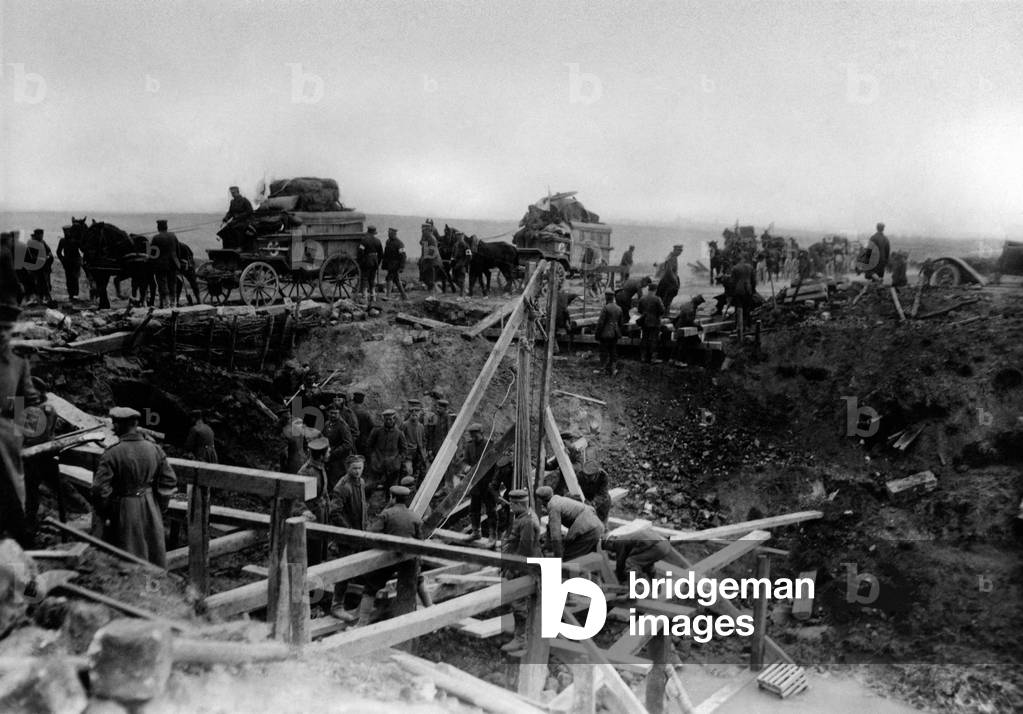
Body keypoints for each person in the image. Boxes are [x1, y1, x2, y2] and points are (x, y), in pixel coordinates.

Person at [91, 407, 177, 567]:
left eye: (115, 423)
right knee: (153, 554)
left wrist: (107, 512)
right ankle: (153, 589)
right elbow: (169, 480)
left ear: (121, 426)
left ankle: (132, 590)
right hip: (150, 505)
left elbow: (99, 489)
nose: (112, 427)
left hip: (124, 507)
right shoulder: (155, 449)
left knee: (127, 554)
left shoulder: (112, 453)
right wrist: (160, 505)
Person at [0, 298, 47, 546]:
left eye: (6, 330)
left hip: (5, 435)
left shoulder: (18, 362)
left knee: (13, 492)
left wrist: (19, 432)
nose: (2, 335)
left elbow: (27, 399)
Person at [357, 485, 423, 625]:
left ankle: (361, 623)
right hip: (409, 558)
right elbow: (420, 542)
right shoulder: (415, 516)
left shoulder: (387, 514)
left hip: (390, 556)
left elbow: (371, 532)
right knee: (414, 583)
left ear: (392, 497)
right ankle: (419, 614)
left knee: (370, 587)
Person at [499, 489, 541, 655]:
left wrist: (512, 569)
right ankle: (524, 634)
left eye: (512, 504)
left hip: (524, 567)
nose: (510, 508)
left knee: (519, 602)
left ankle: (520, 639)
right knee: (522, 602)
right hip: (522, 564)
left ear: (518, 504)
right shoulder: (525, 517)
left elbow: (525, 550)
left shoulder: (527, 522)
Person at [329, 454, 368, 621]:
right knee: (344, 570)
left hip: (359, 532)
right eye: (354, 468)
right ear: (348, 468)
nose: (358, 471)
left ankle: (356, 601)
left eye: (360, 468)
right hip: (347, 536)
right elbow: (334, 512)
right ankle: (336, 605)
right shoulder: (342, 487)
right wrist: (348, 530)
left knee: (359, 564)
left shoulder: (361, 482)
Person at [604, 519, 688, 582]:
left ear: (610, 542)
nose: (611, 550)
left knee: (630, 563)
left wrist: (619, 577)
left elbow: (621, 561)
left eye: (608, 548)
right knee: (646, 564)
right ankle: (655, 585)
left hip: (658, 547)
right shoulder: (627, 536)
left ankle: (631, 593)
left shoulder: (619, 541)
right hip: (664, 544)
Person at [535, 485, 604, 560]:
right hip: (596, 525)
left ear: (541, 500)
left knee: (569, 558)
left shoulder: (553, 506)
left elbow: (556, 536)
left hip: (589, 530)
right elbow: (550, 526)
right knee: (584, 556)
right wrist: (546, 545)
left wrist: (558, 558)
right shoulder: (559, 499)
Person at [366, 409, 408, 514]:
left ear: (394, 419)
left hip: (393, 467)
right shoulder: (377, 431)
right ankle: (366, 506)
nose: (389, 421)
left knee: (391, 489)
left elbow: (404, 450)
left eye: (391, 419)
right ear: (383, 420)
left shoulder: (399, 433)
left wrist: (398, 460)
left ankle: (387, 511)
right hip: (377, 465)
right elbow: (369, 445)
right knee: (370, 486)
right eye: (386, 419)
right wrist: (373, 458)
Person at [295, 436, 331, 562]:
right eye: (328, 451)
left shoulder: (319, 466)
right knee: (313, 548)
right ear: (321, 456)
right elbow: (297, 496)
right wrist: (304, 510)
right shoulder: (306, 472)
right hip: (313, 515)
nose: (330, 451)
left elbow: (323, 491)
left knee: (321, 546)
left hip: (322, 512)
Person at [150, 219, 181, 309]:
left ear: (158, 227)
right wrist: (177, 261)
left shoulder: (156, 238)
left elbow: (152, 253)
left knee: (162, 284)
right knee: (172, 283)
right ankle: (173, 304)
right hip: (173, 263)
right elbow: (178, 250)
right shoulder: (173, 236)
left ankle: (166, 304)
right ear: (166, 227)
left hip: (161, 265)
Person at [322, 404, 354, 490]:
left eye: (335, 413)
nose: (333, 415)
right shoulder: (327, 424)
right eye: (331, 413)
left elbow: (348, 444)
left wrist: (333, 453)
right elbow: (324, 438)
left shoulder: (343, 426)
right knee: (327, 482)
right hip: (328, 459)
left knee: (336, 484)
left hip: (339, 461)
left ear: (339, 413)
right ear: (328, 413)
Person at [594, 289, 623, 376]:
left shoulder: (605, 308)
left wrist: (597, 334)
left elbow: (600, 323)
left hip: (605, 334)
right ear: (613, 297)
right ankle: (613, 370)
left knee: (603, 352)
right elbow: (621, 323)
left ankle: (603, 369)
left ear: (606, 298)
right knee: (613, 351)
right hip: (615, 333)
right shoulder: (619, 308)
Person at [637, 283, 665, 364]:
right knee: (654, 340)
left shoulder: (642, 298)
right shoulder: (657, 299)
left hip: (644, 322)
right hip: (655, 322)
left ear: (649, 289)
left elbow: (639, 310)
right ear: (655, 290)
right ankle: (653, 358)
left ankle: (643, 357)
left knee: (644, 339)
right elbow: (662, 310)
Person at [401, 399, 428, 479]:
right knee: (408, 471)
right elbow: (400, 438)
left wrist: (424, 451)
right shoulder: (405, 425)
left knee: (419, 472)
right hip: (408, 453)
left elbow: (423, 440)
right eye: (412, 411)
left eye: (416, 411)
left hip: (418, 453)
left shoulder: (421, 426)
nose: (414, 413)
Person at [57, 226, 84, 301]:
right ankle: (71, 295)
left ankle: (75, 294)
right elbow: (58, 252)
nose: (66, 233)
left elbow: (82, 249)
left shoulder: (75, 240)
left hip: (75, 261)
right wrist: (62, 260)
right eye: (65, 231)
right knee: (69, 279)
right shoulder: (62, 240)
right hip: (67, 262)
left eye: (68, 231)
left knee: (75, 278)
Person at [729, 256, 756, 329]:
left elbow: (732, 282)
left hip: (739, 291)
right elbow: (753, 280)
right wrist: (753, 290)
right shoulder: (750, 267)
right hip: (748, 290)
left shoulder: (735, 268)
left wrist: (731, 293)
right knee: (747, 308)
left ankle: (739, 326)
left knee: (739, 308)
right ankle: (747, 325)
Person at [358, 226, 383, 304]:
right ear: (374, 233)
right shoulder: (378, 241)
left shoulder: (364, 240)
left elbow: (360, 252)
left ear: (368, 232)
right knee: (372, 279)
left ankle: (365, 297)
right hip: (375, 261)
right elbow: (381, 254)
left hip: (366, 261)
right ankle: (373, 297)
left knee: (365, 278)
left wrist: (361, 262)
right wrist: (377, 262)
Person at [29, 229, 54, 304]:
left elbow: (49, 252)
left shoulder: (43, 242)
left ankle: (46, 297)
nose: (41, 236)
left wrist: (48, 257)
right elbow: (31, 256)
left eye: (42, 234)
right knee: (38, 283)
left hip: (44, 267)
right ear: (36, 235)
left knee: (46, 283)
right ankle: (40, 298)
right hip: (37, 268)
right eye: (40, 234)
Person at [656, 244, 683, 313]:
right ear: (675, 250)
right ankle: (664, 314)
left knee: (666, 299)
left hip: (669, 280)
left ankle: (665, 313)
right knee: (666, 299)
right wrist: (675, 281)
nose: (680, 253)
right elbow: (669, 271)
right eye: (679, 250)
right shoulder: (671, 257)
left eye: (681, 251)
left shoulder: (673, 257)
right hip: (668, 281)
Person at [382, 228, 408, 300]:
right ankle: (404, 296)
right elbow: (386, 254)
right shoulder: (388, 242)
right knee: (396, 280)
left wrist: (402, 267)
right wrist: (384, 264)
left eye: (390, 233)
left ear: (394, 234)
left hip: (395, 265)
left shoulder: (399, 243)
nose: (388, 235)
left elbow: (403, 256)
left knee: (389, 278)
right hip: (390, 264)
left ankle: (388, 296)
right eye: (388, 233)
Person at [351, 390, 375, 455]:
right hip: (363, 440)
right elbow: (372, 426)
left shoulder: (349, 411)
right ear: (362, 401)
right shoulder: (366, 413)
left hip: (351, 440)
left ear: (353, 400)